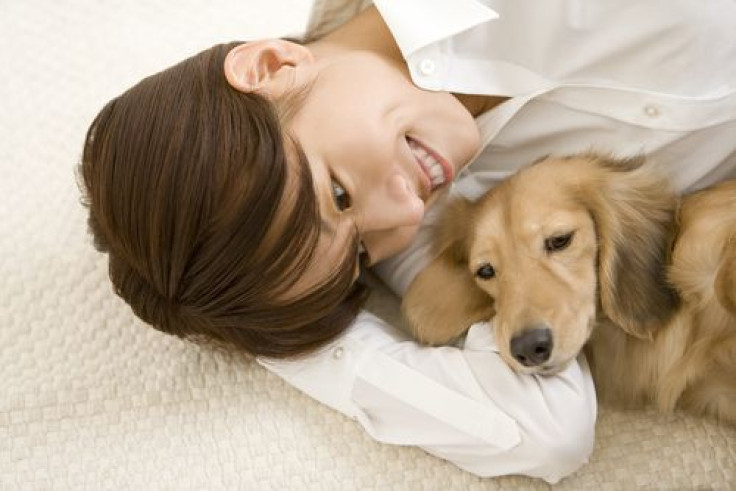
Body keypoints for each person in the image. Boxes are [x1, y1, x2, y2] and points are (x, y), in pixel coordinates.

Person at [79, 0, 736, 483]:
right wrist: (279, 338)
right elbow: (546, 427)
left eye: (337, 192)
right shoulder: (433, 209)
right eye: (362, 251)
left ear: (275, 64)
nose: (402, 210)